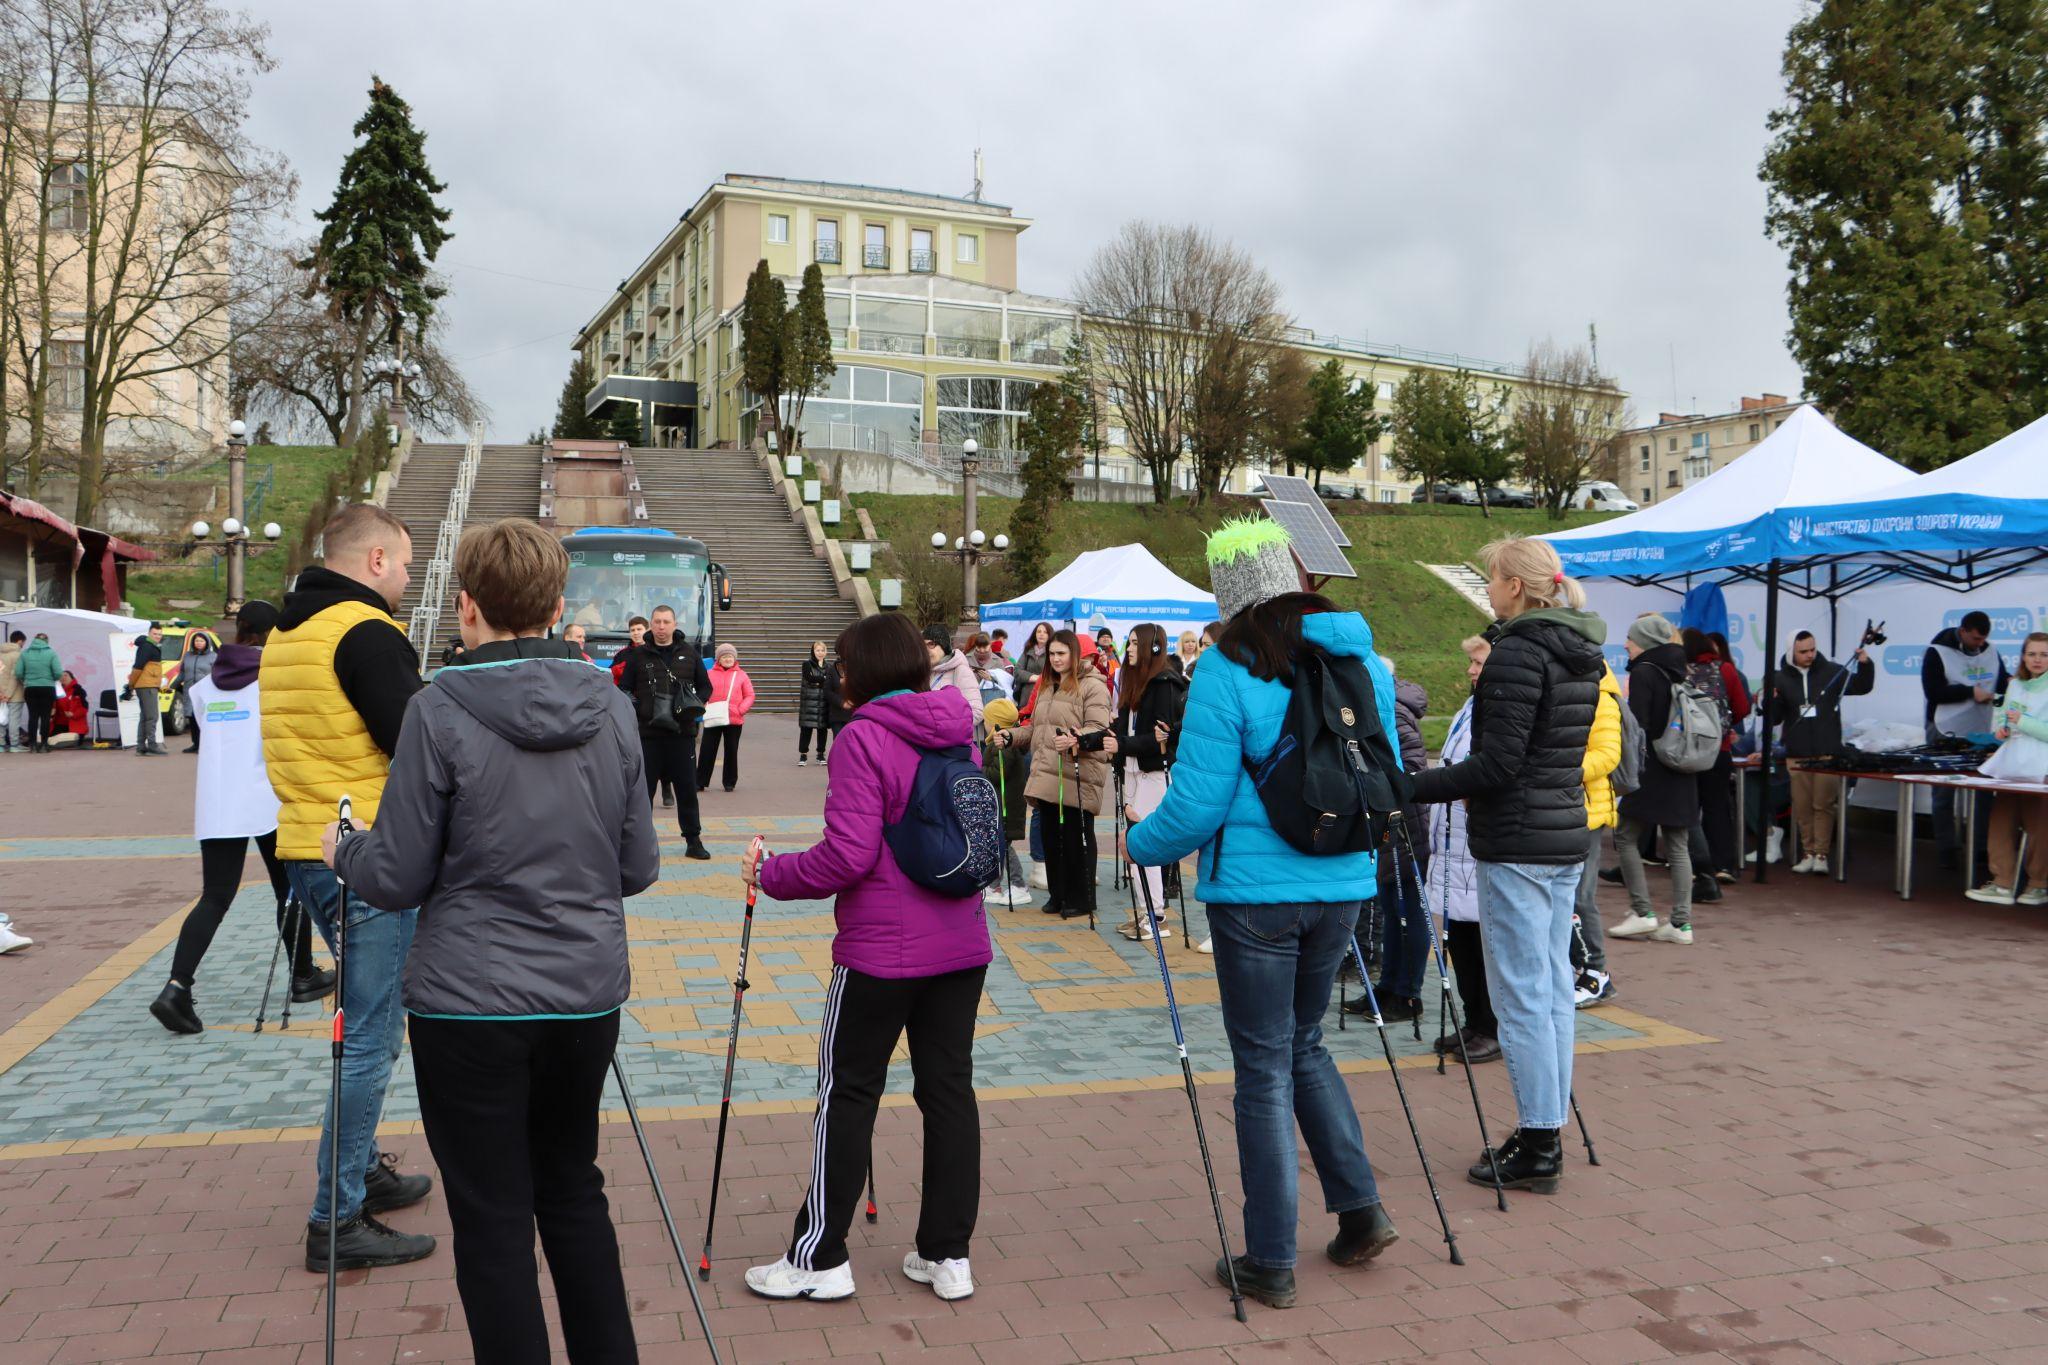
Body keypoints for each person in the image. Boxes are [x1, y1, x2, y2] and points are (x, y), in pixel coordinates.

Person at [328, 518, 656, 1362]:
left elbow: (395, 873)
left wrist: (345, 848)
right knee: (573, 1191)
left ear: (467, 606)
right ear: (556, 606)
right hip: (583, 995)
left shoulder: (437, 709)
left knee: (494, 1217)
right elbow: (638, 863)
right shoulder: (611, 705)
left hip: (470, 1006)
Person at [1125, 518, 1401, 1307]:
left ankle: (1270, 1257)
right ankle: (1360, 1209)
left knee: (1262, 1067)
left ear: (1228, 593)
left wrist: (1142, 842)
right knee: (1304, 1043)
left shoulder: (1225, 666)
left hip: (1255, 896)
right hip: (1343, 879)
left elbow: (1198, 803)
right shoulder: (1361, 660)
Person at [741, 612, 992, 1304]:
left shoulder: (862, 740)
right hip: (963, 944)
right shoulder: (956, 728)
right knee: (948, 1091)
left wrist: (771, 872)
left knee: (847, 1092)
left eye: (846, 664)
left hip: (880, 951)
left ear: (865, 671)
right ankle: (948, 1254)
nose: (839, 674)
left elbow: (846, 856)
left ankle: (820, 1254)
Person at [259, 502, 436, 1272]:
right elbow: (419, 743)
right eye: (402, 564)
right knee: (371, 1032)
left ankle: (358, 1168)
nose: (405, 578)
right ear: (372, 561)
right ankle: (336, 1217)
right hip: (370, 856)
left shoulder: (286, 630)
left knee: (364, 1022)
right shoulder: (365, 631)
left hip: (306, 844)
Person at [1409, 535, 1605, 1196]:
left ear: (1515, 586)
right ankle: (1543, 1126)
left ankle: (1540, 1137)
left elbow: (1498, 765)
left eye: (1491, 578)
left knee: (1525, 994)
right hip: (1558, 837)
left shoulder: (1519, 651)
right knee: (1550, 991)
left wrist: (1410, 785)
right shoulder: (1578, 649)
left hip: (1520, 842)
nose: (1487, 589)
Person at [151, 601, 332, 1035]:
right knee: (291, 891)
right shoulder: (275, 681)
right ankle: (303, 976)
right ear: (273, 635)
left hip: (218, 803)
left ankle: (177, 987)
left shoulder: (203, 688)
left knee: (214, 896)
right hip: (271, 800)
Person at [991, 629, 1112, 922]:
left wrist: (1074, 739)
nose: (1056, 659)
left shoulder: (1093, 687)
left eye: (1061, 653)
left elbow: (1099, 728)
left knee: (1075, 836)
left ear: (1074, 654)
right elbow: (1035, 728)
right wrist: (1011, 735)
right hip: (1047, 772)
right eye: (1052, 654)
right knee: (1051, 836)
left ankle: (1081, 898)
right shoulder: (1046, 685)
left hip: (1076, 771)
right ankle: (1058, 894)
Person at [1608, 614, 1700, 946]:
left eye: (1630, 639)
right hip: (1680, 767)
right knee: (1677, 845)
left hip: (1651, 770)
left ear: (1645, 641)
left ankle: (1642, 912)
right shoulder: (1679, 669)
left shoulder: (1645, 672)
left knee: (1625, 835)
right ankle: (1681, 923)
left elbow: (1638, 729)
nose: (1626, 644)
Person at [1349, 657, 1430, 1021]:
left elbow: (1411, 770)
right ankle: (1385, 987)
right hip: (1385, 827)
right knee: (1390, 908)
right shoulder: (1374, 708)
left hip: (1405, 828)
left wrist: (1373, 784)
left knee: (1408, 912)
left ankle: (1407, 993)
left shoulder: (1393, 713)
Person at [1431, 636, 1500, 1063]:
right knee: (1461, 943)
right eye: (1470, 663)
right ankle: (1473, 1020)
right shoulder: (1470, 706)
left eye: (1478, 662)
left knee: (1482, 944)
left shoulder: (1498, 708)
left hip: (1475, 846)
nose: (1471, 670)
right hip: (1453, 845)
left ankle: (1492, 1026)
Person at [1764, 629, 1875, 876]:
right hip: (1797, 752)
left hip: (1827, 752)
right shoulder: (1779, 678)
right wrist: (1768, 702)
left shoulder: (1832, 671)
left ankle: (1822, 854)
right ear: (1791, 650)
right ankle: (1808, 853)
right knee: (1802, 807)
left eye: (1812, 649)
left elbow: (1862, 686)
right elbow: (1775, 718)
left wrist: (1865, 664)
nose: (1809, 655)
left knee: (1823, 805)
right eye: (1803, 651)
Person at [1112, 623, 1186, 941]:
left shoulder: (1165, 684)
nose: (1128, 649)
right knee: (1133, 846)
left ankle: (1155, 915)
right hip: (1131, 772)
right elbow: (1123, 731)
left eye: (1133, 644)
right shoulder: (1134, 684)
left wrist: (1122, 746)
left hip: (1153, 774)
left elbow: (1161, 739)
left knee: (1145, 845)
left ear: (1150, 648)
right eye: (1126, 643)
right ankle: (1146, 912)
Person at [619, 605, 712, 859]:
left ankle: (693, 841)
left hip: (682, 735)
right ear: (651, 624)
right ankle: (639, 845)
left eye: (666, 622)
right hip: (648, 736)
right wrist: (641, 709)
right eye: (657, 622)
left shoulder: (689, 653)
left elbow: (706, 687)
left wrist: (693, 706)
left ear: (674, 623)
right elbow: (624, 689)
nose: (661, 627)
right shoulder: (638, 656)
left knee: (687, 790)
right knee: (642, 794)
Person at [1924, 610, 2010, 870]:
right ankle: (1946, 847)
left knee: (1983, 789)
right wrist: (1969, 692)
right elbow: (1933, 691)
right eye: (1974, 639)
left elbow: (2002, 683)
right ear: (1962, 631)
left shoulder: (1990, 650)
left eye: (1982, 639)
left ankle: (1981, 845)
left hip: (1980, 728)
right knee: (1943, 790)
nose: (1978, 644)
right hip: (1943, 727)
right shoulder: (1937, 652)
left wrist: (2010, 686)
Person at [1969, 630, 2048, 904]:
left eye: (2043, 654)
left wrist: (2022, 722)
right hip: (2010, 763)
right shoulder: (2015, 684)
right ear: (2023, 657)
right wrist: (2002, 728)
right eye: (2032, 654)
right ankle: (2002, 883)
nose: (2037, 660)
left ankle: (2038, 885)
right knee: (2000, 821)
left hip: (2040, 767)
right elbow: (2003, 717)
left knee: (2039, 825)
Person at [1572, 660, 1624, 1007]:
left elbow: (1608, 755)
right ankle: (1578, 966)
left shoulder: (1602, 695)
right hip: (1565, 807)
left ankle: (1597, 972)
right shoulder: (1572, 690)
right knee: (1568, 895)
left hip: (1590, 811)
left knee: (1581, 896)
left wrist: (1564, 768)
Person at [981, 697, 1033, 904]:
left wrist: (978, 768)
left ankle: (1019, 885)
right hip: (1003, 802)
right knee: (999, 844)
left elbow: (996, 774)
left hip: (1005, 804)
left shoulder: (1003, 746)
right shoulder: (999, 744)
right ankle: (994, 885)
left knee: (1003, 845)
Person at [696, 642, 755, 793]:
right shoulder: (709, 673)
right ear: (718, 659)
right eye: (724, 656)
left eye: (730, 656)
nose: (728, 659)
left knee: (731, 750)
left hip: (734, 719)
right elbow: (702, 690)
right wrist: (703, 706)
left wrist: (740, 710)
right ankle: (700, 781)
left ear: (734, 658)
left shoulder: (741, 675)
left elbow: (750, 695)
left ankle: (729, 782)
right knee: (707, 749)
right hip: (713, 716)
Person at [925, 624, 985, 734]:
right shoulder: (923, 672)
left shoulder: (960, 670)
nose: (926, 650)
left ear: (943, 646)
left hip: (950, 743)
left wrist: (941, 726)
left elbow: (976, 713)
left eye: (931, 644)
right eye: (922, 645)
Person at [13, 631, 61, 752]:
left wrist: (27, 679)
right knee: (45, 717)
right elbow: (58, 673)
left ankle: (33, 745)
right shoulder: (51, 653)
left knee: (33, 717)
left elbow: (18, 672)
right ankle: (44, 745)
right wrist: (51, 679)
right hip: (47, 688)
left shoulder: (25, 654)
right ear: (46, 641)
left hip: (30, 688)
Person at [125, 623, 168, 756]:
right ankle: (152, 745)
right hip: (147, 686)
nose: (157, 637)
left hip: (147, 685)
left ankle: (141, 747)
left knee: (145, 717)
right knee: (152, 717)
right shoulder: (147, 647)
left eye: (160, 634)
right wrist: (130, 685)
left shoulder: (150, 646)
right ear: (149, 633)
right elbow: (137, 667)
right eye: (155, 634)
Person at [177, 629, 218, 752]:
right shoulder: (188, 656)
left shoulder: (213, 656)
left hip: (206, 692)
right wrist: (172, 686)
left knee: (204, 718)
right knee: (193, 718)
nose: (199, 643)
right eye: (196, 641)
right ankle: (196, 744)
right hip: (190, 691)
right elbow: (182, 673)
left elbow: (217, 674)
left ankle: (206, 745)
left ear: (207, 642)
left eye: (201, 641)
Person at [799, 640, 834, 765]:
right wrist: (823, 679)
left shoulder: (829, 667)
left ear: (826, 652)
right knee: (806, 729)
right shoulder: (807, 664)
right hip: (809, 702)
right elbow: (809, 678)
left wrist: (820, 681)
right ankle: (803, 755)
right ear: (813, 651)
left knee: (822, 730)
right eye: (818, 650)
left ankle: (820, 754)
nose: (820, 653)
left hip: (823, 702)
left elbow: (830, 682)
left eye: (822, 650)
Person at [1013, 621, 1052, 705]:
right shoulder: (1028, 651)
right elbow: (1017, 671)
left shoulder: (1052, 653)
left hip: (1045, 697)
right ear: (1035, 634)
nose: (1041, 634)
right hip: (1026, 697)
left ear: (1050, 635)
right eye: (1039, 631)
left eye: (1045, 632)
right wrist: (1036, 678)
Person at [51, 670, 90, 744]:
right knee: (52, 741)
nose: (63, 677)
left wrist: (74, 714)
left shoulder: (79, 690)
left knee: (69, 742)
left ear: (72, 678)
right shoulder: (55, 690)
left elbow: (84, 708)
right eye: (61, 676)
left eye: (66, 675)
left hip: (75, 724)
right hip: (60, 724)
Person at [1, 631, 24, 751]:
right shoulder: (18, 655)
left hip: (0, 694)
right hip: (15, 694)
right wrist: (8, 695)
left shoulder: (0, 654)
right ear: (20, 641)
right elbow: (15, 676)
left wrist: (1, 693)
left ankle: (0, 745)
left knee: (1, 718)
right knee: (13, 719)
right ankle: (14, 745)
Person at [1093, 627, 1120, 694]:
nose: (1106, 639)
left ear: (1111, 640)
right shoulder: (1094, 652)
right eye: (1103, 636)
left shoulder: (1113, 652)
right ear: (1098, 639)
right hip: (1101, 687)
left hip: (1115, 686)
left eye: (1108, 637)